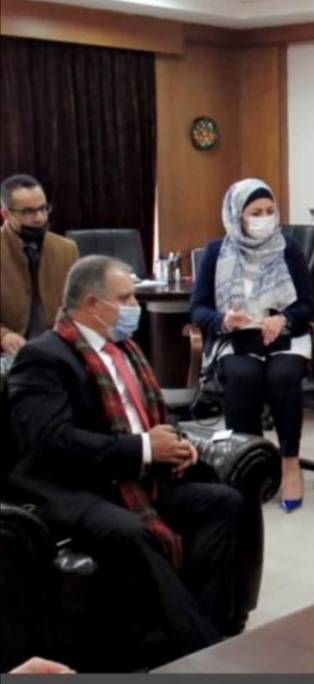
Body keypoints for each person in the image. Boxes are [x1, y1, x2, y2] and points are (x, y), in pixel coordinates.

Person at [7, 255, 243, 660]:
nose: (135, 306)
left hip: (134, 479)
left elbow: (150, 416)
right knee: (130, 531)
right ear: (92, 304)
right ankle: (205, 656)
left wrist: (176, 443)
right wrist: (146, 448)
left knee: (224, 503)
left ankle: (199, 632)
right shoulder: (43, 357)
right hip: (75, 486)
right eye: (126, 298)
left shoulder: (127, 349)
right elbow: (53, 441)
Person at [191, 178, 314, 512]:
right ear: (237, 215)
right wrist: (223, 320)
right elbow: (198, 308)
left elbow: (308, 304)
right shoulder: (216, 252)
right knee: (243, 376)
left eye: (269, 211)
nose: (264, 218)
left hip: (283, 337)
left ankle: (289, 461)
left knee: (283, 376)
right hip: (236, 339)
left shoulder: (288, 248)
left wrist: (284, 318)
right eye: (255, 213)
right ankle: (249, 461)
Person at [1, 174, 79, 355]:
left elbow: (76, 305)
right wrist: (3, 335)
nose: (39, 218)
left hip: (57, 348)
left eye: (43, 209)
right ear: (6, 214)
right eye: (28, 212)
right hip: (8, 353)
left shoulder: (66, 249)